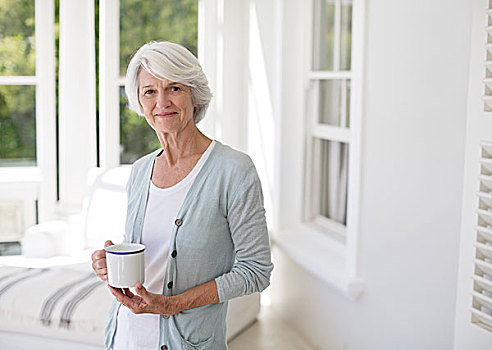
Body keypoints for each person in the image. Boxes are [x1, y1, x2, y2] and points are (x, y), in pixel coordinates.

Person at [91, 41, 273, 350]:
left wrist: (172, 304)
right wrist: (109, 263)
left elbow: (256, 271)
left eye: (174, 88)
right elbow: (147, 256)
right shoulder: (139, 171)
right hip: (125, 337)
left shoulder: (233, 169)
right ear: (138, 100)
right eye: (149, 91)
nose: (162, 102)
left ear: (194, 93)